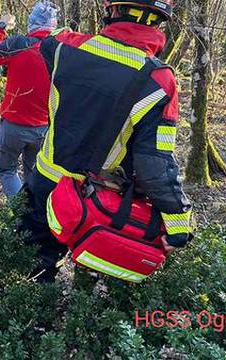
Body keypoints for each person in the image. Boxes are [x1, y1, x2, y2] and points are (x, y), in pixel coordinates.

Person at [21, 0, 193, 282]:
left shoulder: (65, 47)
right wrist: (177, 223)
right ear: (159, 20)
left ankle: (33, 322)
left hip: (46, 184)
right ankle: (82, 321)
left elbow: (40, 38)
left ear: (112, 10)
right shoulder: (159, 81)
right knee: (92, 276)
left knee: (32, 270)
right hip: (100, 200)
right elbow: (155, 163)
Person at [0, 2, 59, 197]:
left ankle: (20, 215)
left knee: (7, 171)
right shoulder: (61, 49)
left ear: (32, 22)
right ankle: (34, 215)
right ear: (53, 24)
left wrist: (1, 28)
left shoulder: (19, 44)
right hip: (44, 128)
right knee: (33, 173)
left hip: (14, 125)